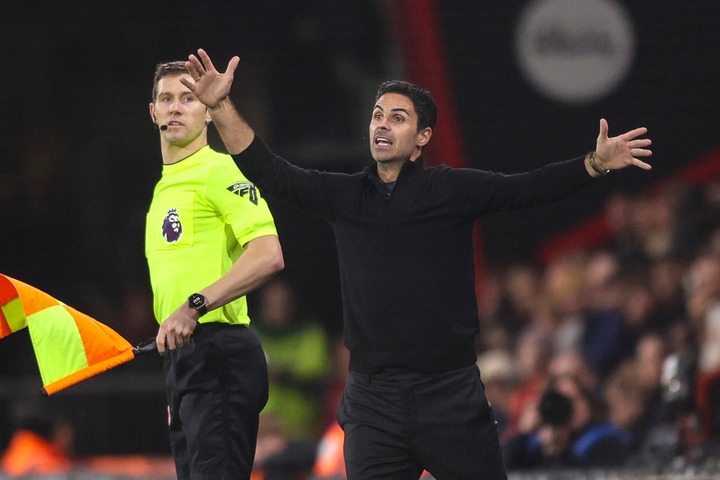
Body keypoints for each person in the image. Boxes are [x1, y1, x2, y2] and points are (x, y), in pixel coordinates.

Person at [181, 48, 652, 480]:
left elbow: (527, 188)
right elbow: (268, 170)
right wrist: (221, 107)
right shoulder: (344, 196)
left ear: (423, 136)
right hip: (372, 402)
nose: (382, 125)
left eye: (398, 118)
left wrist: (594, 162)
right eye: (377, 116)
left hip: (450, 395)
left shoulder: (452, 190)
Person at [145, 60, 284, 480]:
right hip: (187, 361)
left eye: (188, 98)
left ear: (208, 110)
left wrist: (193, 306)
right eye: (166, 99)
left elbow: (267, 253)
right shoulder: (164, 188)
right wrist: (176, 375)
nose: (175, 108)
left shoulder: (220, 170)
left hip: (218, 352)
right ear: (152, 112)